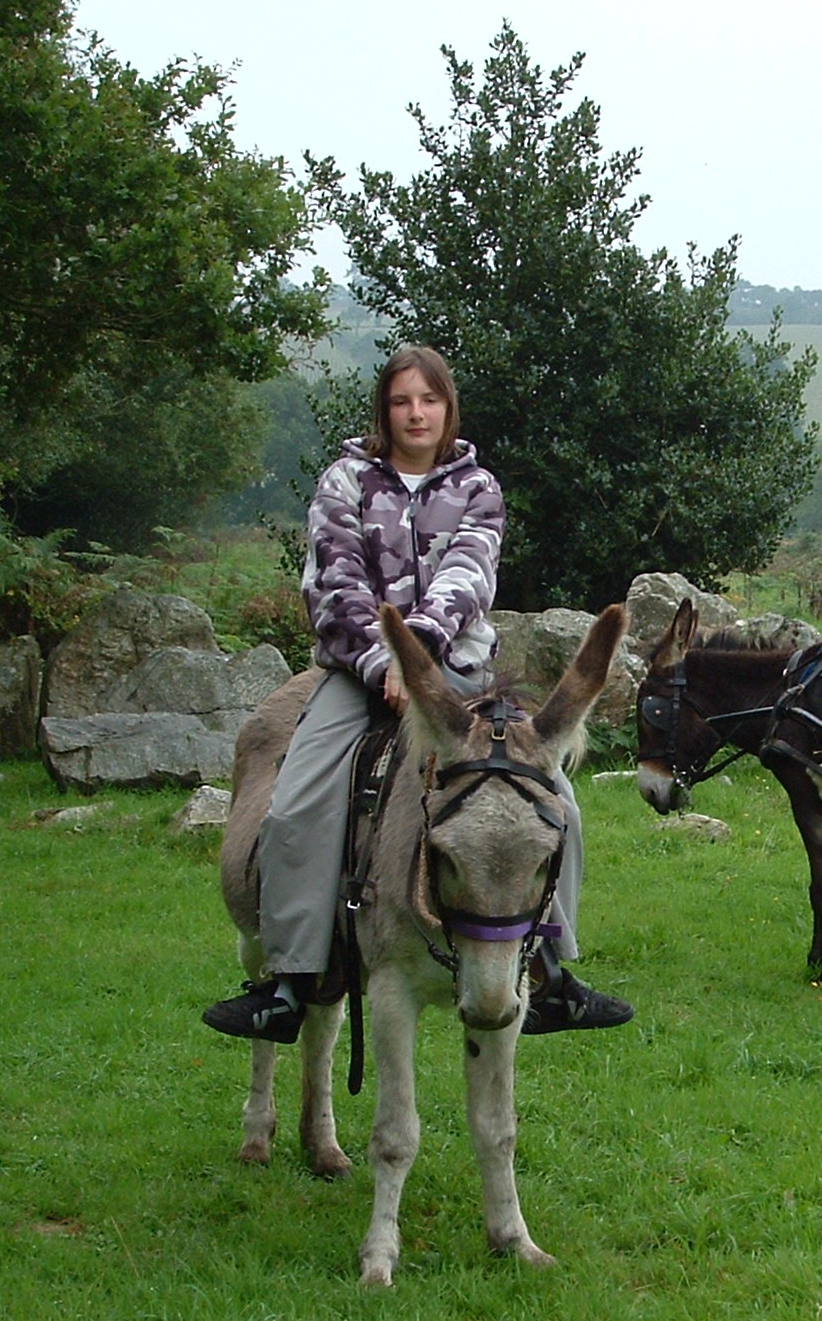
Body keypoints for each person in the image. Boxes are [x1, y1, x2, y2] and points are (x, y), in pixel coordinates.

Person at [202, 344, 633, 1041]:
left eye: (428, 400)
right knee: (297, 804)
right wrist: (383, 667)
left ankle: (553, 970)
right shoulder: (345, 482)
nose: (415, 413)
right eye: (402, 401)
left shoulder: (479, 488)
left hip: (456, 681)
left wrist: (419, 662)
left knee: (560, 808)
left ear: (447, 407)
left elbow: (468, 577)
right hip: (354, 677)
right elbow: (335, 586)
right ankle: (289, 980)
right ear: (385, 409)